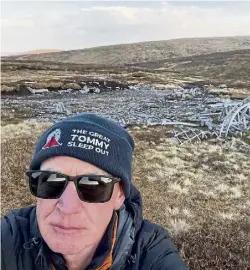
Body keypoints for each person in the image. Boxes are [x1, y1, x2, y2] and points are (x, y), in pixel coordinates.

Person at [1, 113, 188, 270]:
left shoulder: (152, 254)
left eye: (93, 186)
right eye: (50, 181)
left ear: (120, 195)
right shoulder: (9, 238)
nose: (68, 207)